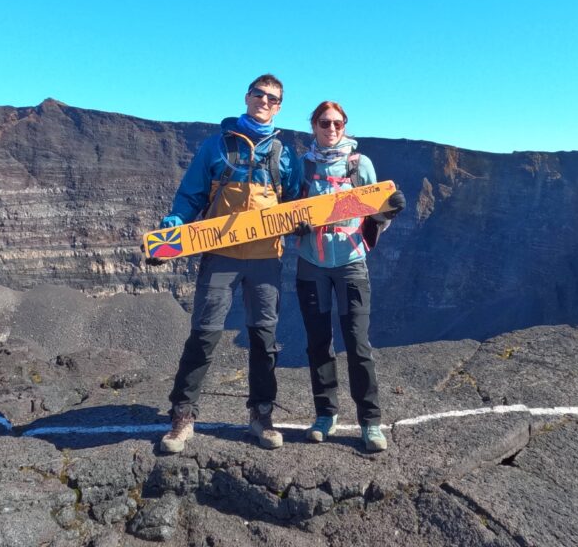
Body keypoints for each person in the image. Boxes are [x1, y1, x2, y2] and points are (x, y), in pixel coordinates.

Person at [157, 74, 301, 453]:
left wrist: (302, 219)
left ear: (280, 106)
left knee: (263, 338)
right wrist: (176, 224)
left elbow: (299, 200)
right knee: (205, 334)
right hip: (221, 255)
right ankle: (182, 416)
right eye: (260, 94)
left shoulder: (285, 155)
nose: (265, 101)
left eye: (273, 98)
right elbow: (191, 194)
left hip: (267, 258)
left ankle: (261, 415)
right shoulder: (216, 146)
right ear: (247, 96)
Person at [292, 100, 405, 452]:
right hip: (311, 263)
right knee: (317, 342)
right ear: (313, 126)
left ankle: (370, 422)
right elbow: (287, 209)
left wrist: (391, 209)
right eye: (324, 123)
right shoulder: (303, 165)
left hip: (351, 263)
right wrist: (296, 225)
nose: (331, 129)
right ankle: (326, 415)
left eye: (337, 123)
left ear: (345, 126)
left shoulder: (360, 164)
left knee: (357, 343)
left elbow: (377, 212)